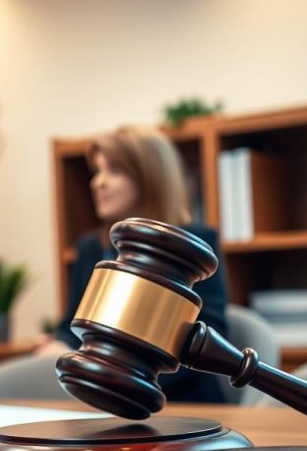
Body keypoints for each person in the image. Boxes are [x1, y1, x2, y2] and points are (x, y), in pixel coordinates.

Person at [36, 125, 228, 403]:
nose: (97, 182)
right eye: (97, 171)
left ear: (151, 177)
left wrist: (130, 380)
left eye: (114, 170)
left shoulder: (197, 243)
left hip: (179, 402)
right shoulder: (90, 248)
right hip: (102, 398)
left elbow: (208, 333)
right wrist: (58, 344)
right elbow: (72, 324)